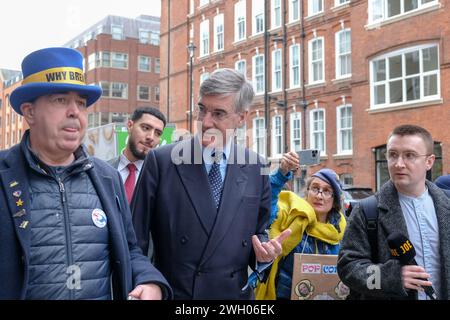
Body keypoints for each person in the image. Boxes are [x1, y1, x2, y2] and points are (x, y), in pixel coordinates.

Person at [0, 47, 171, 300]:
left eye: (81, 103)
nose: (75, 112)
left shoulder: (106, 177)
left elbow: (130, 249)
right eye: (61, 100)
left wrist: (149, 281)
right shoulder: (4, 175)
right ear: (30, 112)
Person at [131, 68, 291, 299]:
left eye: (218, 113)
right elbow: (134, 240)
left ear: (242, 117)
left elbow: (258, 232)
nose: (205, 122)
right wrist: (148, 281)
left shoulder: (257, 167)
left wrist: (264, 254)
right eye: (202, 110)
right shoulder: (162, 161)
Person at [337, 124, 450, 300]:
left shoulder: (446, 205)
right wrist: (392, 277)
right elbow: (348, 267)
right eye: (392, 155)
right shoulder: (367, 211)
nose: (398, 164)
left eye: (409, 155)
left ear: (429, 161)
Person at [255, 167, 346, 300]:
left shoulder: (342, 232)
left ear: (335, 199)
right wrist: (281, 174)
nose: (319, 195)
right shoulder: (290, 216)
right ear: (307, 192)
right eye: (315, 188)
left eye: (327, 191)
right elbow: (267, 203)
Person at [109, 107, 166, 204]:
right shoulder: (103, 170)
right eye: (146, 128)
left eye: (157, 133)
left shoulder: (163, 180)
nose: (151, 137)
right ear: (130, 126)